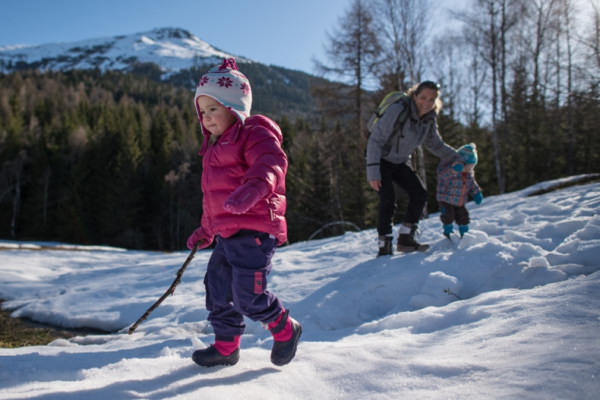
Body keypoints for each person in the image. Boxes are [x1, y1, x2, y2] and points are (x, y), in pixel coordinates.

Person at [186, 58, 301, 367]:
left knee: (248, 296)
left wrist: (255, 187)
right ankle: (226, 347)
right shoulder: (214, 148)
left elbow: (271, 162)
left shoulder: (254, 130)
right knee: (218, 288)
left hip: (255, 232)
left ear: (235, 107)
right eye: (203, 111)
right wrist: (206, 229)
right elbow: (218, 201)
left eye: (215, 109)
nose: (208, 119)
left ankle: (284, 328)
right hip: (226, 235)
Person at [365, 81, 460, 257]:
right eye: (423, 97)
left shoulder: (429, 119)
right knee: (388, 200)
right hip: (381, 159)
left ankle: (406, 239)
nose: (426, 102)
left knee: (420, 194)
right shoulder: (398, 110)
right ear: (414, 95)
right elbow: (375, 140)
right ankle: (384, 246)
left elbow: (435, 144)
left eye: (431, 99)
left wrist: (457, 157)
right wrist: (373, 172)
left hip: (400, 162)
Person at [436, 143, 483, 238]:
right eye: (469, 166)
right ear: (462, 163)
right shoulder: (451, 171)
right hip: (446, 200)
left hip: (460, 201)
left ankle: (465, 234)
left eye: (472, 166)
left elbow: (473, 185)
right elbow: (442, 176)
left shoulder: (469, 174)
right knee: (448, 216)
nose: (471, 168)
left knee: (463, 217)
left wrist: (477, 193)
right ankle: (448, 231)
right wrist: (453, 170)